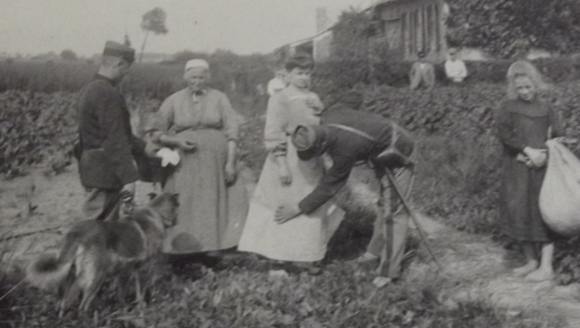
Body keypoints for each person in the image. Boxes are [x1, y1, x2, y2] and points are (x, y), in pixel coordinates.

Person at [275, 92, 415, 288]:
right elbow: (355, 97)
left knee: (395, 212)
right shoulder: (329, 115)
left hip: (399, 149)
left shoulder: (344, 150)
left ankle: (389, 271)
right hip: (380, 148)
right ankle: (373, 254)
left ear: (322, 146)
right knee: (384, 205)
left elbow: (330, 187)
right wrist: (323, 105)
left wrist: (296, 209)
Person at [238, 52, 344, 272]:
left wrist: (320, 109)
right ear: (287, 74)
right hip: (288, 158)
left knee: (309, 204)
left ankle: (305, 256)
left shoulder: (313, 97)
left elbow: (322, 126)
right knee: (282, 204)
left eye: (307, 73)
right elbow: (273, 131)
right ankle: (277, 260)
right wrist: (283, 164)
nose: (304, 78)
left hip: (311, 160)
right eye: (299, 73)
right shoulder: (280, 98)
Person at [148, 58, 248, 257]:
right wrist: (175, 142)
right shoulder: (173, 100)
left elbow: (232, 129)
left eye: (202, 77)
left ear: (208, 77)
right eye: (193, 77)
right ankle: (184, 250)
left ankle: (214, 248)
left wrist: (230, 162)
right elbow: (156, 132)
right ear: (186, 77)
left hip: (215, 161)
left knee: (213, 201)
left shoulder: (219, 98)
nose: (197, 81)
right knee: (186, 202)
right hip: (185, 162)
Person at [495, 60, 564, 282]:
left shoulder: (546, 108)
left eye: (528, 87)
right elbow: (505, 136)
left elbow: (558, 135)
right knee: (520, 210)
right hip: (518, 167)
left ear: (536, 84)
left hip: (542, 168)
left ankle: (546, 266)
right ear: (513, 88)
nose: (525, 92)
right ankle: (531, 260)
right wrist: (524, 151)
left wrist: (544, 153)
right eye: (520, 88)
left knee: (543, 212)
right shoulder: (507, 108)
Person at [75, 40, 153, 221]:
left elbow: (114, 133)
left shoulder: (90, 88)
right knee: (99, 230)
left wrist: (143, 148)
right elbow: (115, 139)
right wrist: (128, 179)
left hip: (94, 170)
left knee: (100, 229)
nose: (126, 74)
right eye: (126, 68)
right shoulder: (106, 93)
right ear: (119, 63)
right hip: (105, 173)